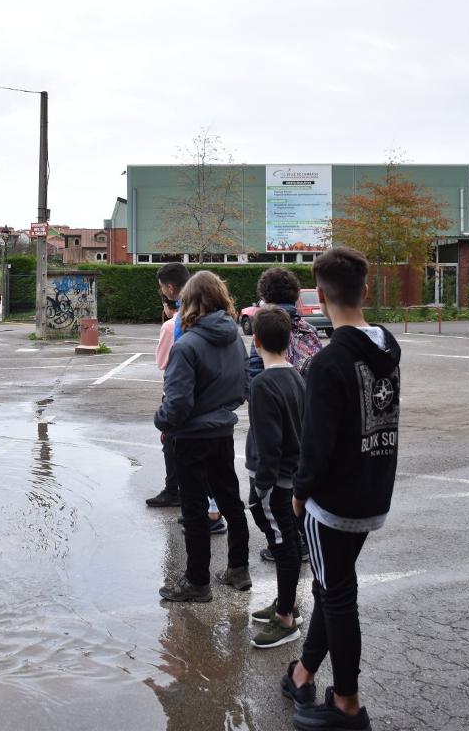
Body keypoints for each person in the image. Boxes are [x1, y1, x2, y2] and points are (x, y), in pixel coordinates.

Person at [285, 247, 400, 731]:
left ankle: (348, 703)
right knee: (333, 585)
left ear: (321, 296)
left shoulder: (329, 363)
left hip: (332, 503)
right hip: (374, 490)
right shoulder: (388, 346)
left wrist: (299, 492)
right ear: (365, 291)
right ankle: (303, 673)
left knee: (337, 594)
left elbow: (317, 444)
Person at [155, 270, 250, 602]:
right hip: (223, 431)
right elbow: (243, 387)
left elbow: (177, 403)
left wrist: (161, 420)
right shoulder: (236, 339)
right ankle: (239, 568)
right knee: (230, 502)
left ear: (190, 301)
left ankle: (197, 582)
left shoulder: (187, 345)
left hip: (192, 437)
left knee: (194, 510)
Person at [246, 266, 321, 564]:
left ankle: (284, 545)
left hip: (272, 428)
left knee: (271, 499)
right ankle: (302, 540)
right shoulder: (310, 331)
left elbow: (254, 381)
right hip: (305, 419)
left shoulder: (263, 329)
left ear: (265, 296)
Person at [244, 305, 307, 650]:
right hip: (286, 476)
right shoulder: (294, 374)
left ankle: (286, 616)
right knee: (283, 538)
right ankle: (286, 603)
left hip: (275, 480)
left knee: (283, 542)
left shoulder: (264, 384)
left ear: (255, 341)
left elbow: (270, 441)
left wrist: (261, 488)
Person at [146, 263, 190, 508]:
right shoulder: (210, 314)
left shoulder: (173, 326)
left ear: (170, 288)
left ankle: (173, 489)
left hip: (177, 391)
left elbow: (163, 361)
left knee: (171, 441)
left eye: (163, 287)